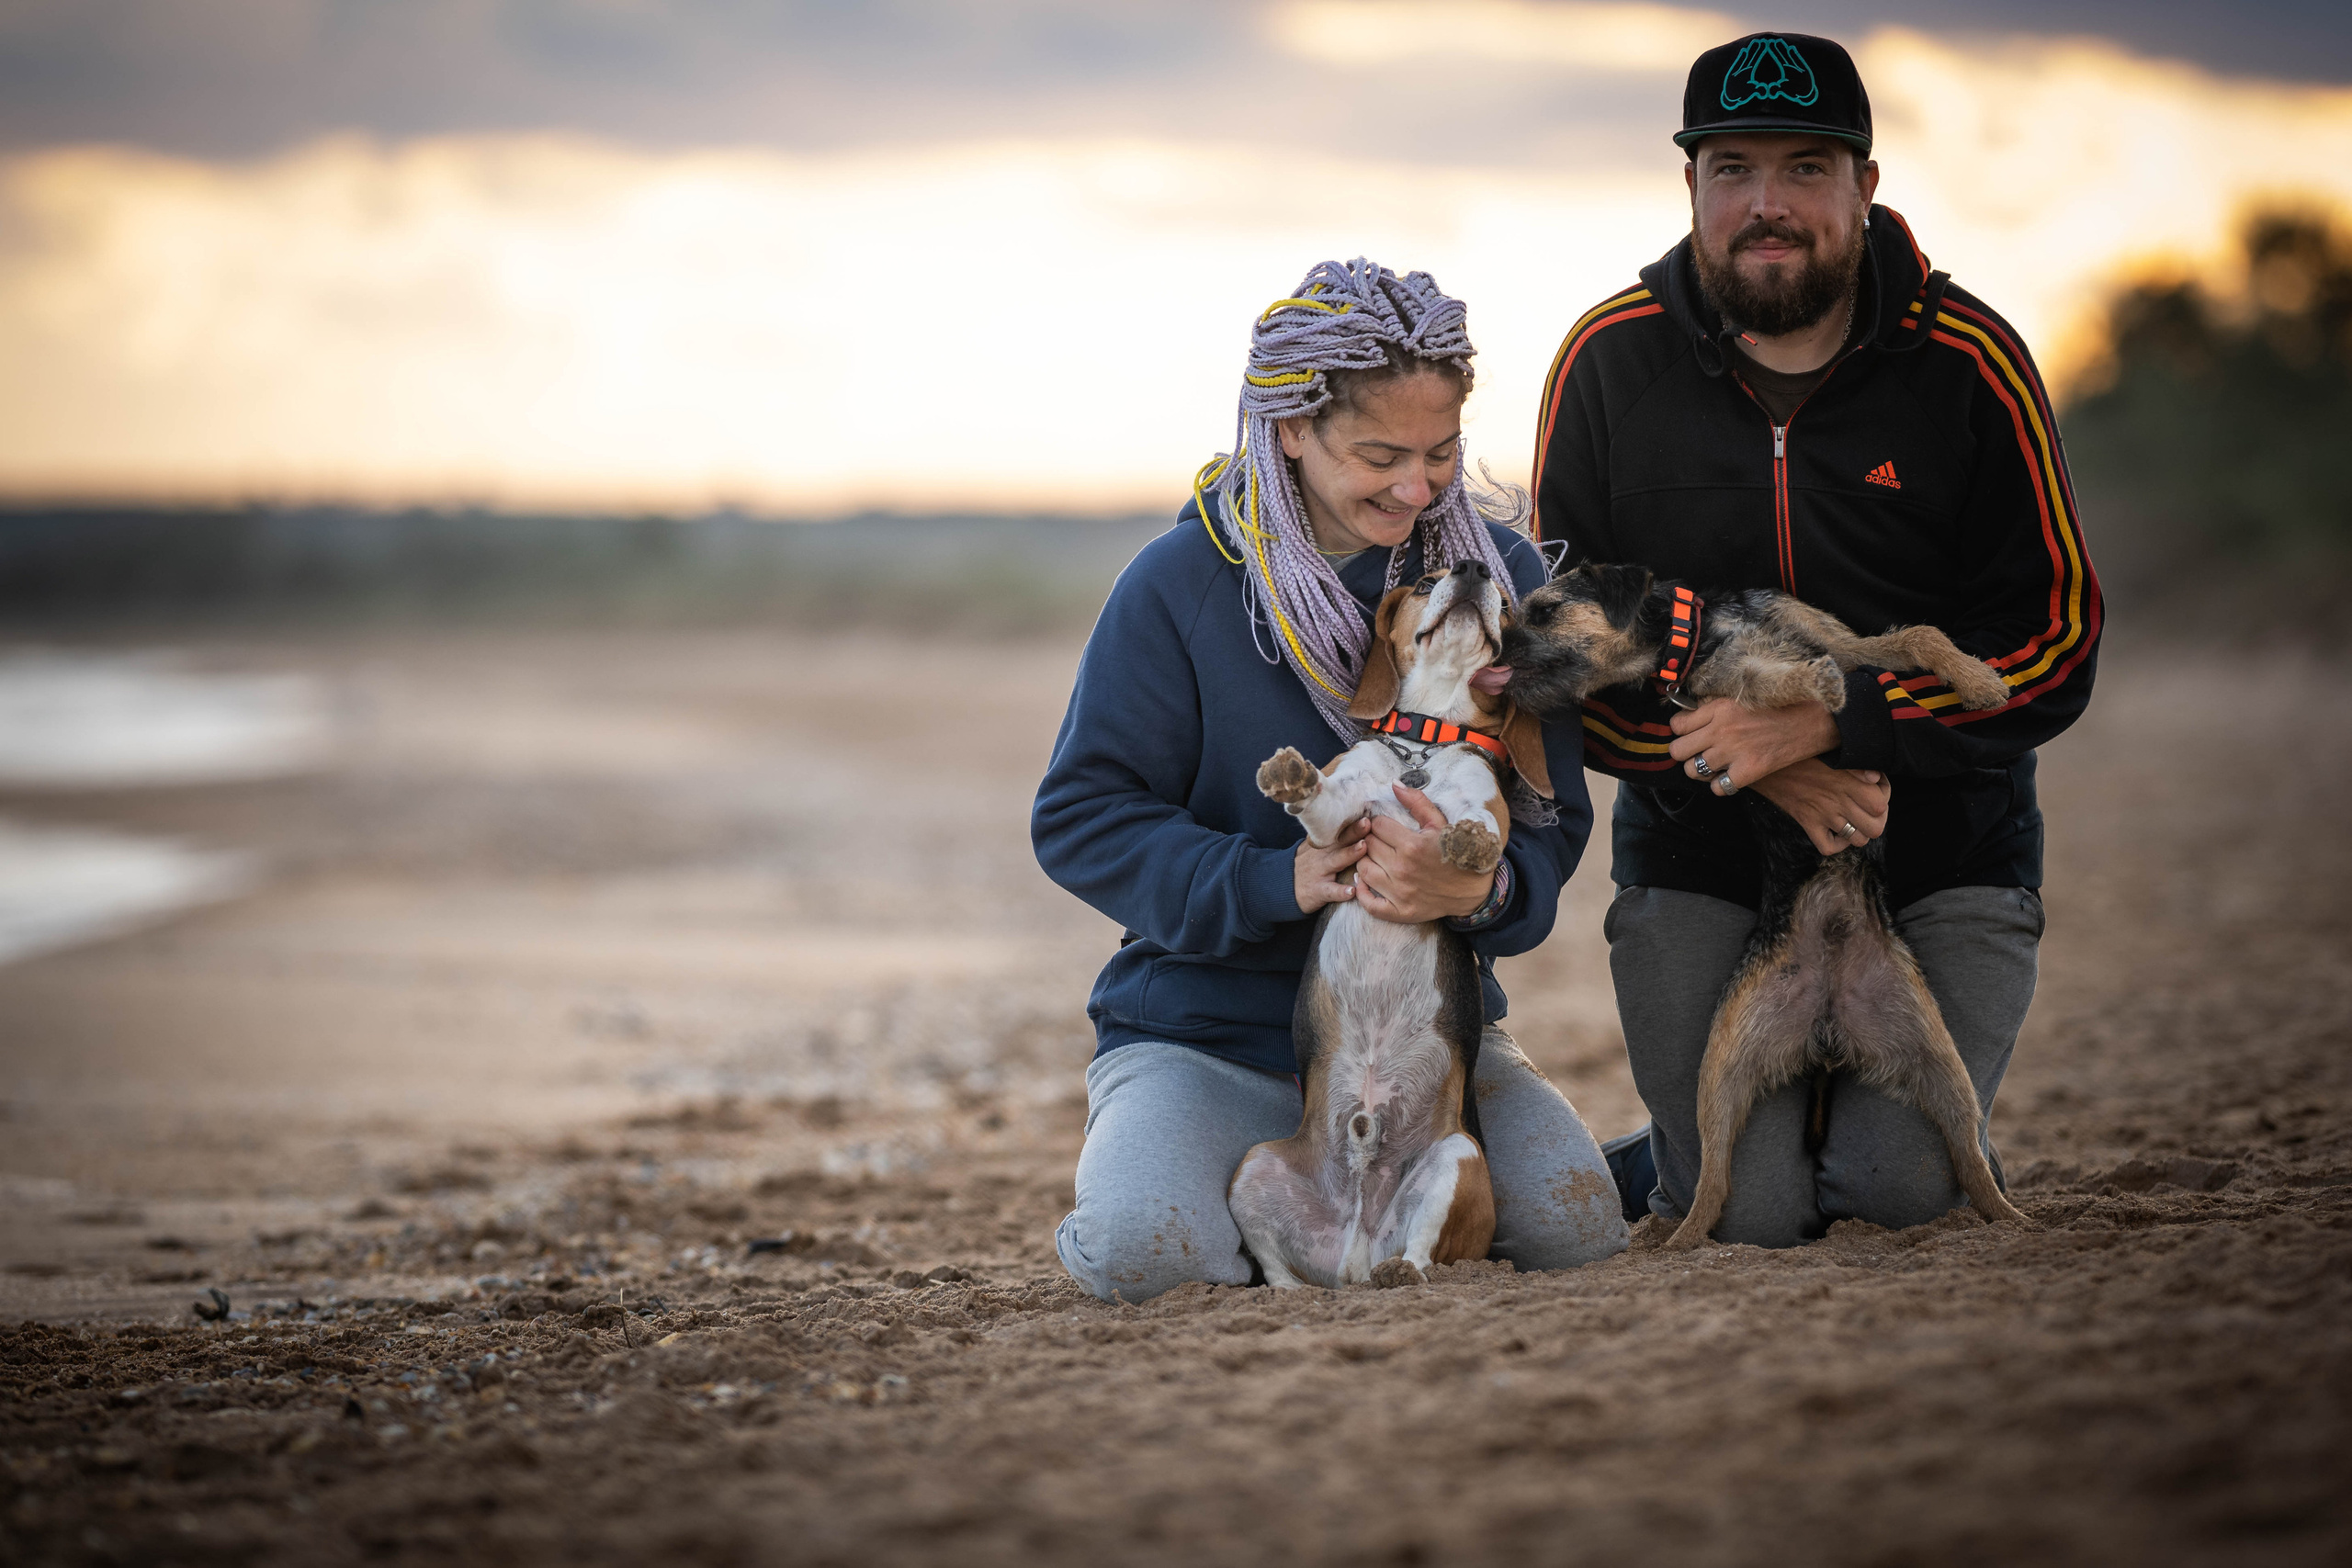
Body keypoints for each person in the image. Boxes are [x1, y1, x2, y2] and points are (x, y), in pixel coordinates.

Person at [1532, 33, 2102, 1246]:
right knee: (1749, 1209)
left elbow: (2057, 639)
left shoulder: (1971, 361)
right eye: (1732, 168)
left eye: (1806, 168)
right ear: (1690, 187)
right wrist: (1764, 760)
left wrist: (1845, 717)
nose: (1767, 205)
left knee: (1894, 1190)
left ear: (1866, 187)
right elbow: (1560, 650)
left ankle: (1810, 1125)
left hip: (1948, 849)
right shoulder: (1608, 360)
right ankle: (1687, 1148)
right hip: (1701, 852)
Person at [1033, 259, 1629, 1302]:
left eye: (1441, 453)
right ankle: (1173, 1167)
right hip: (1206, 1033)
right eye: (1379, 454)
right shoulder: (1175, 586)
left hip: (1421, 1048)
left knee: (1575, 1225)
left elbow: (1549, 813)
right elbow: (1081, 817)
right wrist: (1276, 881)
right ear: (1291, 432)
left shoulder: (1499, 580)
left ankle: (1547, 1166)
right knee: (1148, 1256)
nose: (1417, 487)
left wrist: (1478, 893)